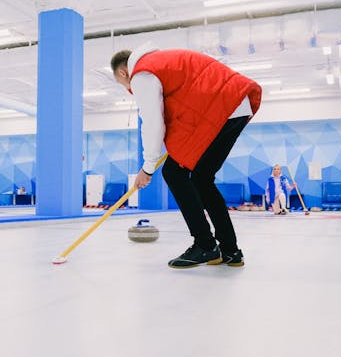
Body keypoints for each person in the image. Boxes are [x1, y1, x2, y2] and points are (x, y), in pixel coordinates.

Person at [111, 44, 261, 268]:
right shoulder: (161, 59)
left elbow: (153, 123)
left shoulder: (141, 74)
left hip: (219, 107)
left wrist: (147, 168)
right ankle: (230, 250)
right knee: (202, 179)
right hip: (235, 105)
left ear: (123, 72)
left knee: (173, 172)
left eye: (122, 83)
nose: (127, 88)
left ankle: (205, 246)